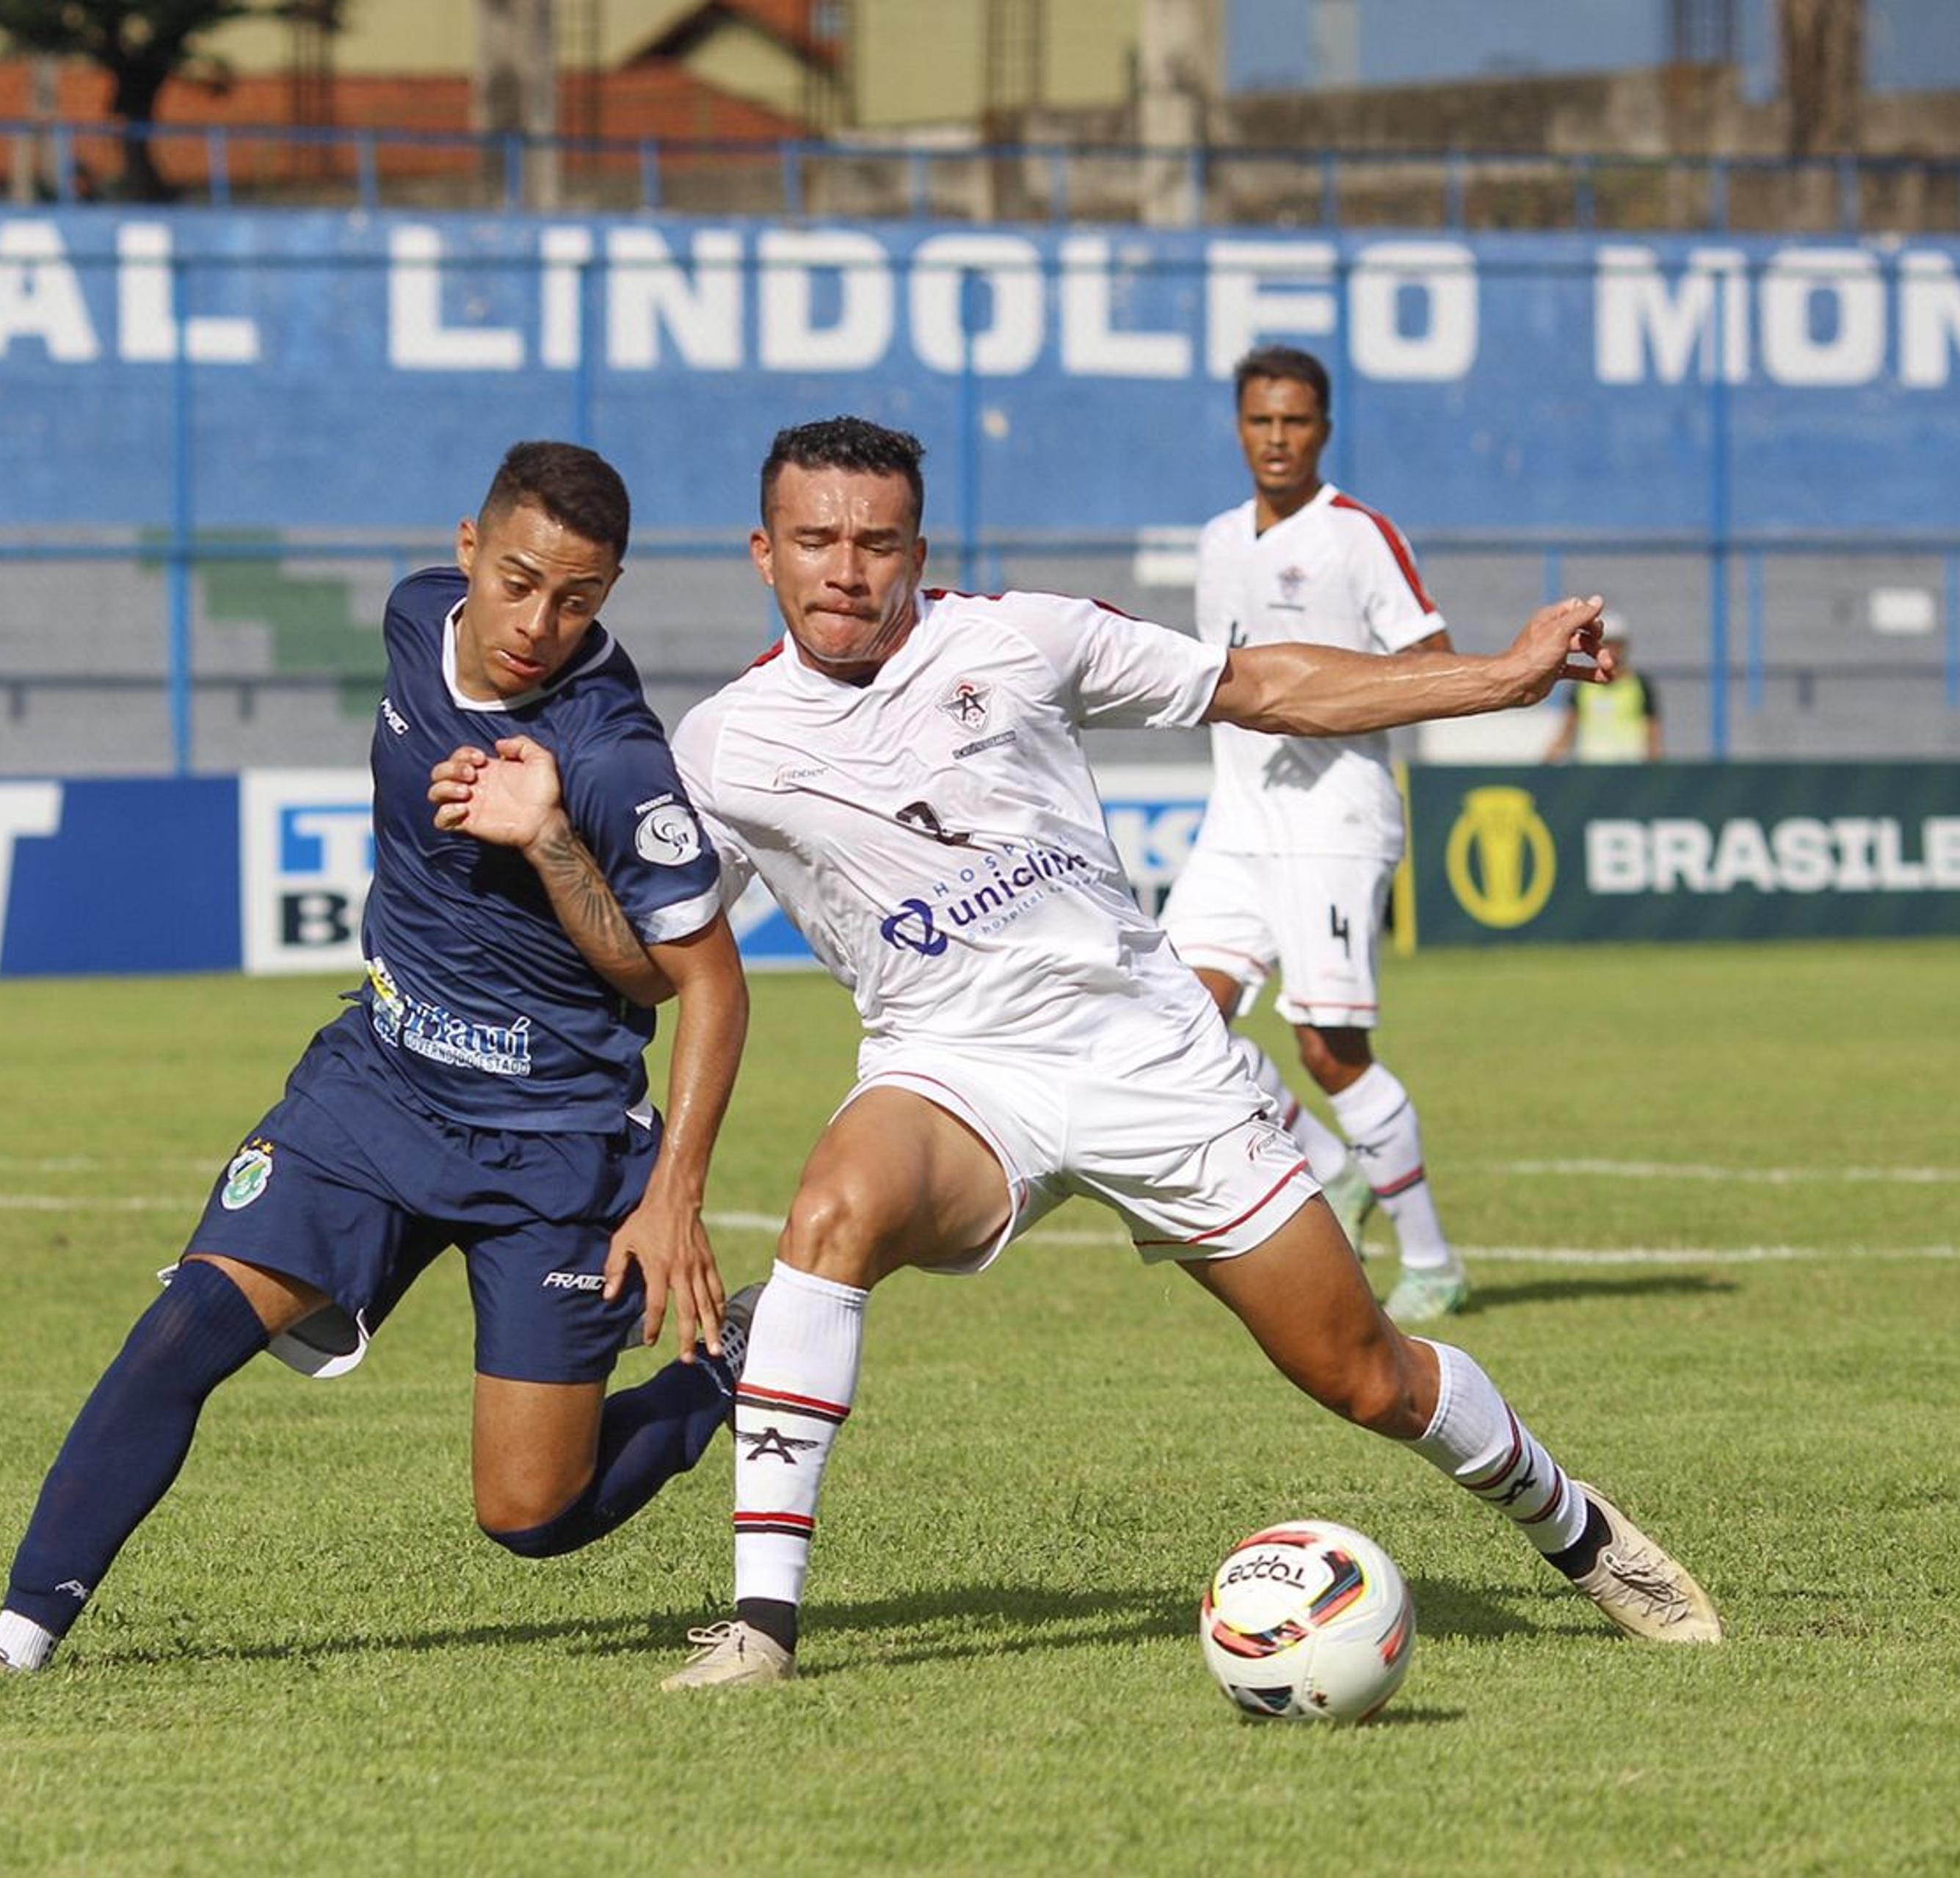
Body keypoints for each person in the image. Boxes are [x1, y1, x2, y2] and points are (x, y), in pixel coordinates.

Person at [436, 416, 1724, 1692]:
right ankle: (762, 1627)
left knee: (1364, 1372)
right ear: (762, 551)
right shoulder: (721, 745)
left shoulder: (1021, 635)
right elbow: (652, 951)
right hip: (951, 1070)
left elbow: (1262, 685)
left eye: (876, 542)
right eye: (817, 539)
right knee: (833, 1210)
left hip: (1152, 1064)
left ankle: (1580, 1531)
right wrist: (550, 843)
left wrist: (1498, 676)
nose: (847, 568)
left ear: (917, 549)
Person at [0, 442, 752, 1679]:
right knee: (184, 1325)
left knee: (530, 1512)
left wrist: (553, 842)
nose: (541, 621)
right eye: (519, 581)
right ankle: (13, 1640)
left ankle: (728, 1367)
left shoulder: (613, 752)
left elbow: (693, 984)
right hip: (378, 1085)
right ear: (468, 550)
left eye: (579, 597)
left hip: (552, 1142)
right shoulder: (416, 619)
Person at [1160, 345, 1467, 1326]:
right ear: (1239, 427)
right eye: (1261, 421)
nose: (1278, 438)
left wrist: (1330, 704)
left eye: (1295, 422)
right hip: (1238, 818)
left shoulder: (1358, 537)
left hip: (1335, 816)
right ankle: (1330, 1168)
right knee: (1175, 1023)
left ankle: (1433, 1259)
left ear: (1323, 430)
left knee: (1330, 1050)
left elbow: (1436, 665)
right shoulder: (1215, 540)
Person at [1542, 611, 1662, 764]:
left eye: (1616, 644)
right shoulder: (1582, 687)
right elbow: (1569, 728)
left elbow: (1652, 731)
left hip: (1630, 770)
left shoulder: (1641, 685)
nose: (1612, 650)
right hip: (1591, 771)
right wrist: (1547, 761)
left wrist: (1655, 768)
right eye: (1607, 644)